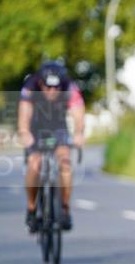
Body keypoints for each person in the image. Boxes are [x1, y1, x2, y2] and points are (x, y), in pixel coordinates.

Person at [18, 59, 85, 232]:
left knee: (65, 162)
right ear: (41, 83)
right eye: (48, 87)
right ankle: (32, 208)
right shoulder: (31, 85)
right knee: (35, 163)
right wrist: (25, 133)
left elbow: (78, 114)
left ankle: (65, 208)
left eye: (57, 87)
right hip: (36, 126)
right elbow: (24, 115)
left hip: (58, 125)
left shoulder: (69, 86)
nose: (53, 91)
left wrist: (79, 133)